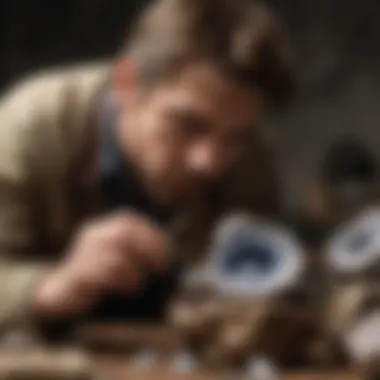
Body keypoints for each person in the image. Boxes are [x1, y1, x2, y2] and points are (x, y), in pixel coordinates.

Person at [0, 0, 292, 336]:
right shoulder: (27, 131)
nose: (209, 161)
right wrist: (50, 288)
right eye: (187, 125)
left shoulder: (252, 157)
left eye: (237, 137)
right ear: (126, 85)